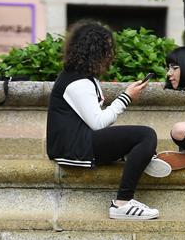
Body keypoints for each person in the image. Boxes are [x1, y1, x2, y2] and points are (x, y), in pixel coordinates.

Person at [46, 21, 171, 220]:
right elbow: (98, 123)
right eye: (108, 49)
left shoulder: (79, 77)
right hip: (73, 148)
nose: (111, 55)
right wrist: (126, 97)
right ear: (96, 52)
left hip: (76, 143)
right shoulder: (78, 82)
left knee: (139, 140)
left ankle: (138, 156)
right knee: (146, 135)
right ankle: (122, 203)